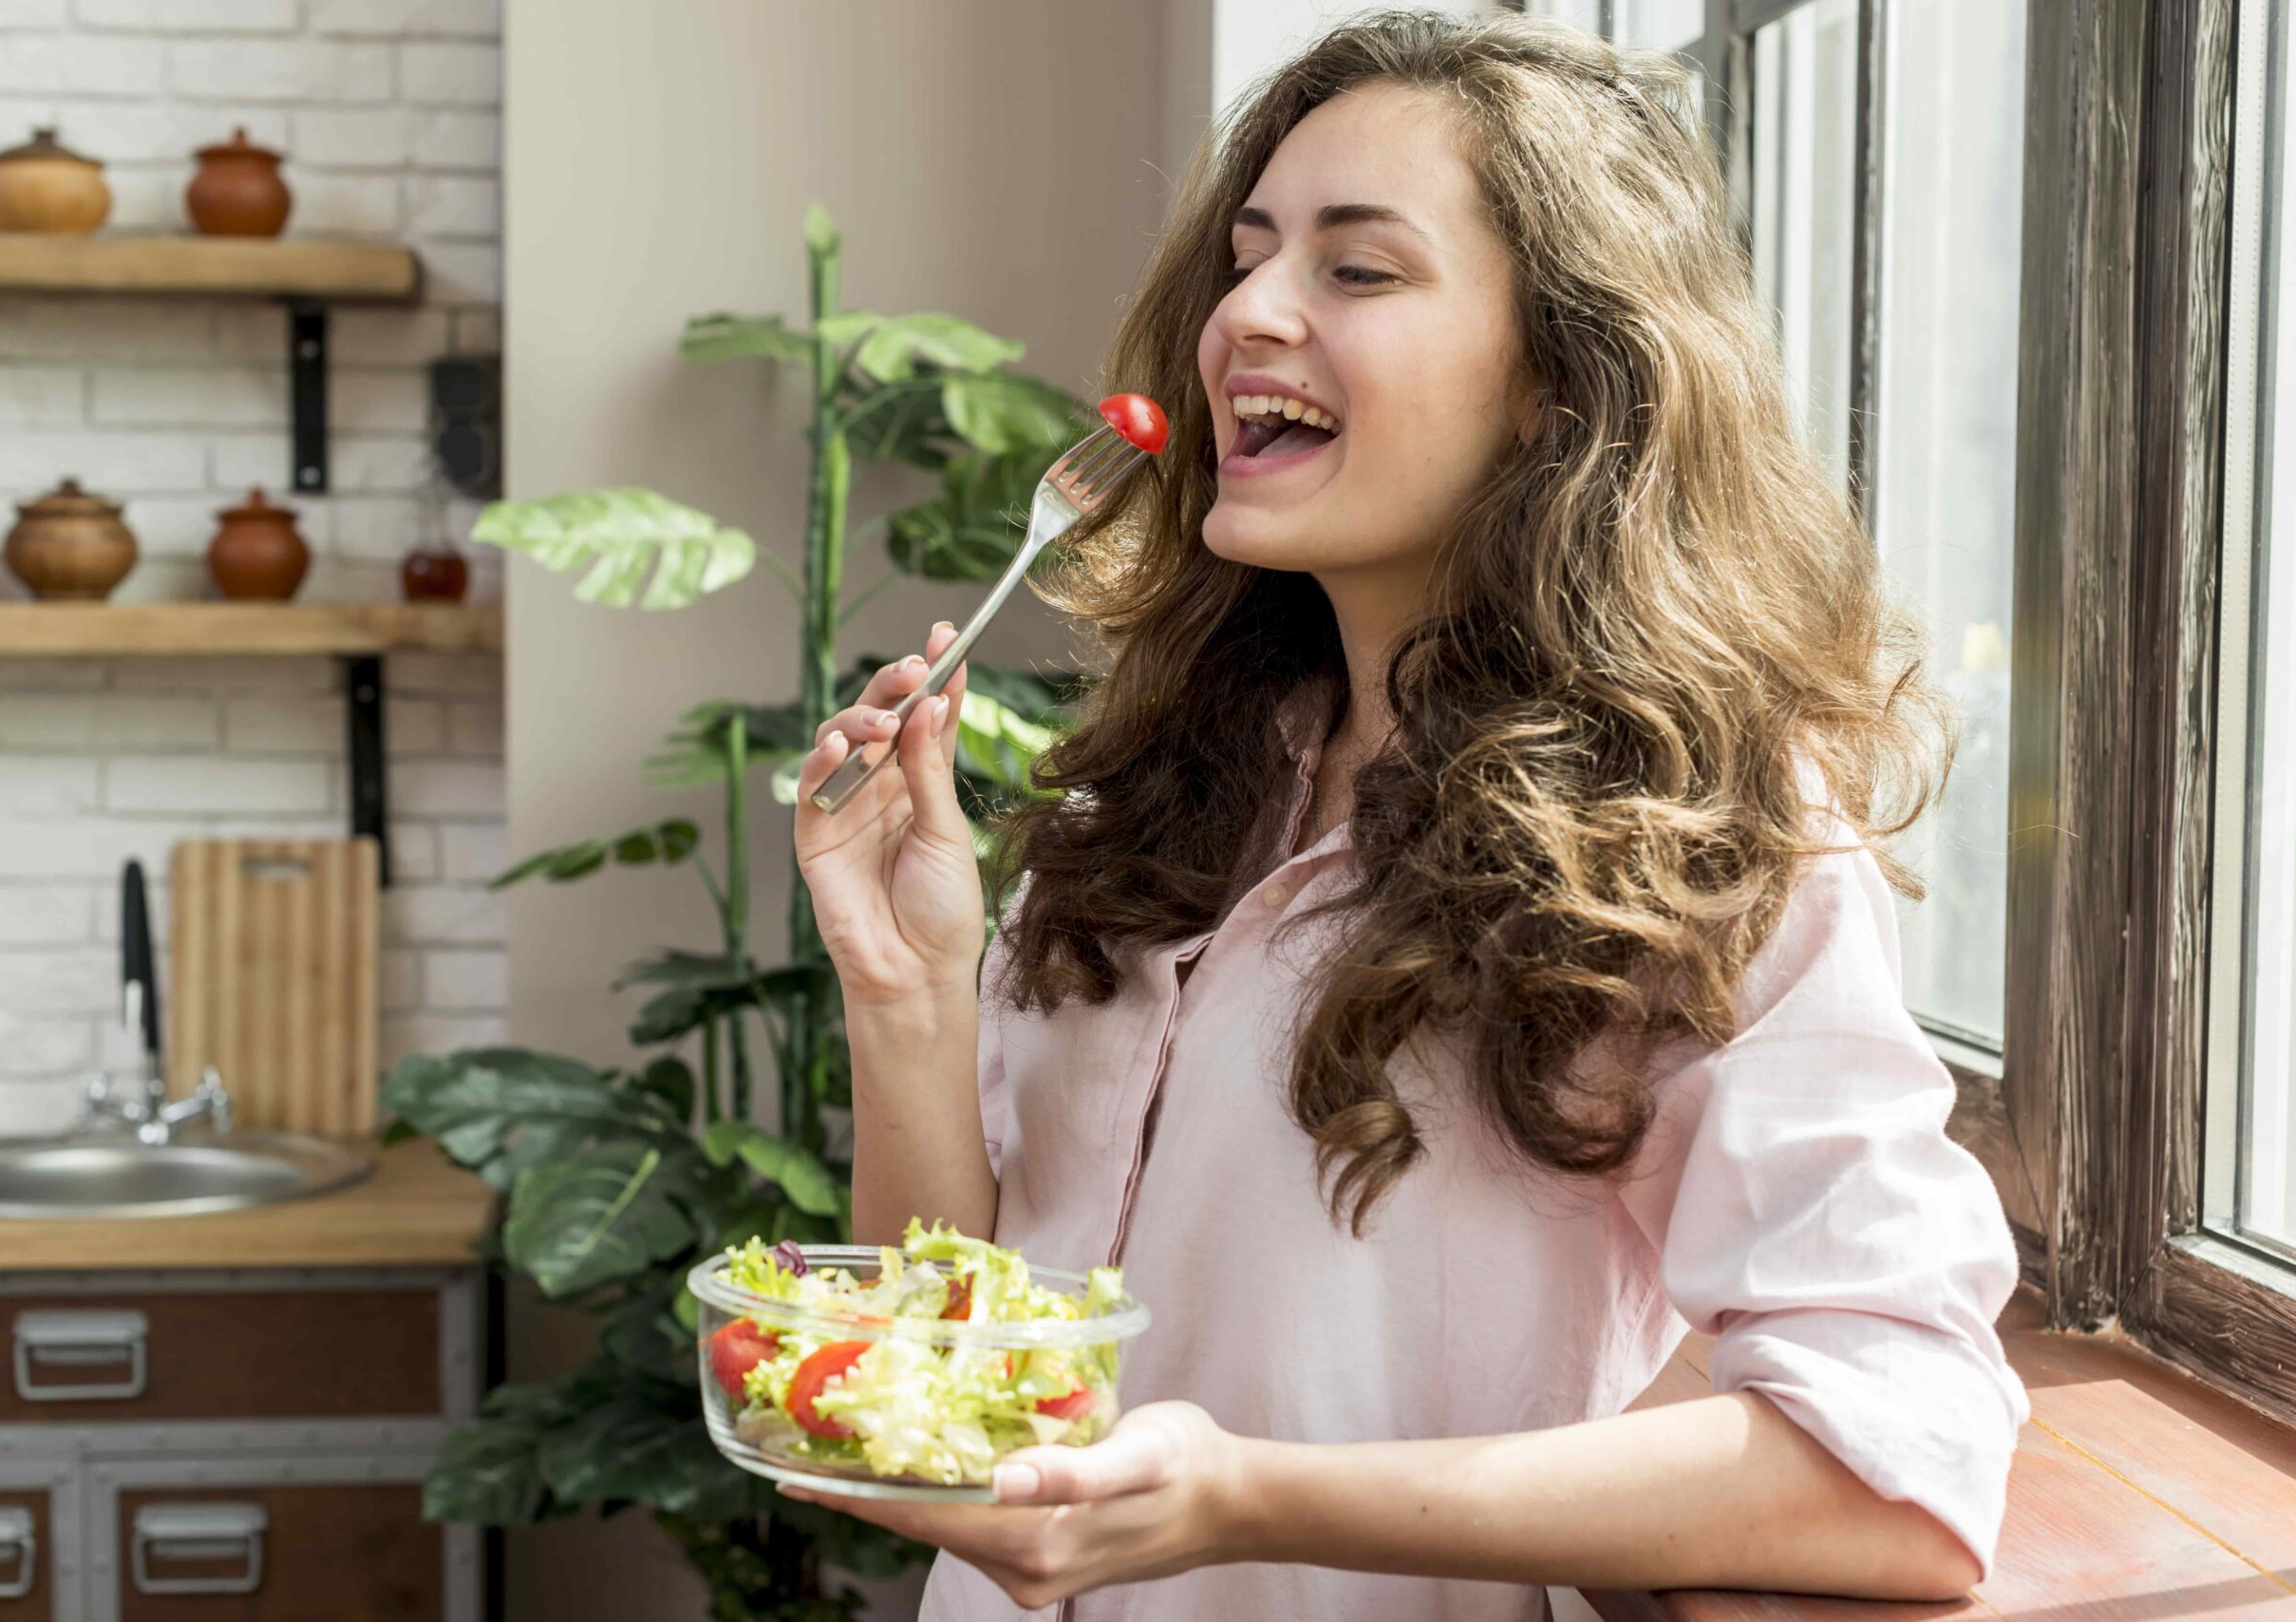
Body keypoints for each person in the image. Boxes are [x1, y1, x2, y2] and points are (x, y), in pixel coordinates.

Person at [788, 11, 2026, 1620]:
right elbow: (959, 1386)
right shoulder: (1169, 783)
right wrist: (904, 996)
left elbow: (1900, 1467)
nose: (1247, 312)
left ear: (1558, 385)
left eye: (1357, 270)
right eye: (1248, 257)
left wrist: (1246, 1499)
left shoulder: (1700, 840)